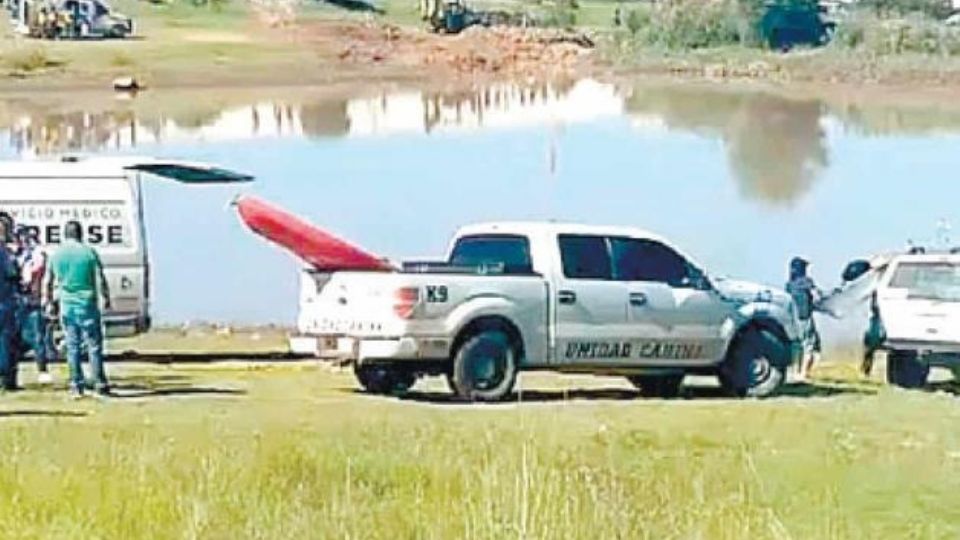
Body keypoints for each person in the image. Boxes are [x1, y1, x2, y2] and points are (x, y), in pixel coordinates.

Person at [44, 221, 111, 398]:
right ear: (81, 234)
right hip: (88, 303)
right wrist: (106, 298)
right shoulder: (89, 253)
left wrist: (49, 301)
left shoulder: (57, 254)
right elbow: (99, 278)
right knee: (93, 345)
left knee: (72, 346)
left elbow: (48, 281)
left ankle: (76, 384)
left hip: (67, 305)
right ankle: (99, 382)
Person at [14, 226, 54, 384]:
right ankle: (11, 374)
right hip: (17, 300)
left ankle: (42, 369)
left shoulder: (38, 254)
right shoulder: (15, 254)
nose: (23, 240)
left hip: (32, 300)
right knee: (14, 338)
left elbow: (37, 270)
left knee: (37, 337)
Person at [786, 256, 823, 380]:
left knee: (797, 346)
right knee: (809, 345)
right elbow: (818, 295)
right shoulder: (806, 281)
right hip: (805, 316)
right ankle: (804, 374)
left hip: (792, 319)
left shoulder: (789, 284)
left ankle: (795, 373)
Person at [0, 213, 19, 391]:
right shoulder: (3, 252)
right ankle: (5, 377)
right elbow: (12, 274)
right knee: (6, 341)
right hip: (4, 302)